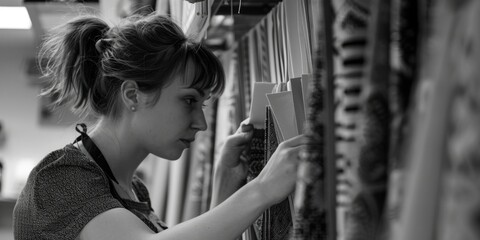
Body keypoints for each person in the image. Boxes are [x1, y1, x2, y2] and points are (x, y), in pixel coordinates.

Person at [13, 13, 307, 240]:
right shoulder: (59, 179)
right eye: (189, 101)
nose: (201, 123)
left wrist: (225, 183)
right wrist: (263, 188)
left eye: (202, 104)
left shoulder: (133, 189)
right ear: (132, 95)